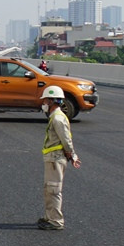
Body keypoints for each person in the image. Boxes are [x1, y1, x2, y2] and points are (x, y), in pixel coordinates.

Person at [38, 85, 81, 230]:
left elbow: (66, 140)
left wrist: (72, 155)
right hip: (52, 158)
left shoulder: (57, 119)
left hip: (56, 159)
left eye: (44, 100)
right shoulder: (56, 116)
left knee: (54, 190)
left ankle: (56, 221)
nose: (43, 103)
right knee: (49, 189)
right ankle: (49, 217)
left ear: (51, 101)